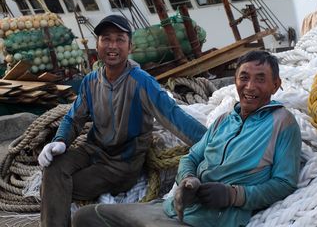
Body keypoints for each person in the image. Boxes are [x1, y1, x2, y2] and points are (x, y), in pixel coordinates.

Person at [72, 50, 302, 227]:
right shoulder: (224, 120)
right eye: (244, 77)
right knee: (87, 217)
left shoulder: (283, 123)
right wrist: (188, 180)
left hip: (212, 220)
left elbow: (284, 183)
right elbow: (191, 157)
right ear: (235, 80)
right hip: (173, 209)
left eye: (260, 79)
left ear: (275, 85)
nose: (250, 86)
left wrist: (233, 195)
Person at [37, 14, 207, 227]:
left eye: (120, 39)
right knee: (53, 168)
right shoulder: (90, 81)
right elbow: (74, 118)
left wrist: (212, 144)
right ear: (97, 45)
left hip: (121, 164)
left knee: (57, 186)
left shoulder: (141, 81)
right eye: (106, 39)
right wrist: (60, 141)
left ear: (130, 46)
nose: (112, 46)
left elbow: (173, 116)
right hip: (92, 150)